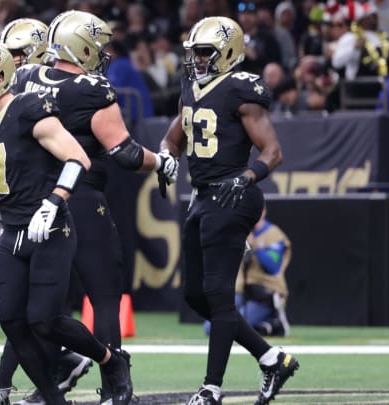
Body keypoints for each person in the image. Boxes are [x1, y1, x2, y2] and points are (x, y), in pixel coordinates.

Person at [0, 11, 179, 405]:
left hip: (31, 200)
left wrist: (0, 204)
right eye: (99, 47)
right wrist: (161, 161)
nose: (103, 54)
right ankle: (115, 388)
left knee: (34, 306)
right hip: (80, 197)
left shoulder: (22, 80)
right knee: (102, 296)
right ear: (83, 47)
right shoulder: (92, 89)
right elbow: (122, 152)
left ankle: (15, 382)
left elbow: (5, 144)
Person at [0, 40, 132, 405]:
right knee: (12, 321)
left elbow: (79, 159)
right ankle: (52, 399)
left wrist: (54, 201)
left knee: (44, 320)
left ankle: (110, 360)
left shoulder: (29, 106)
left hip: (50, 228)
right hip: (12, 232)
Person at [159, 16, 299, 405]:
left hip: (235, 193)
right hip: (203, 196)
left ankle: (211, 388)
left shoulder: (242, 88)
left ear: (228, 53)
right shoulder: (192, 86)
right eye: (194, 52)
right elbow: (177, 132)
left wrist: (246, 178)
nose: (197, 60)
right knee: (195, 295)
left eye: (205, 52)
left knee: (219, 296)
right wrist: (166, 156)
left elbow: (273, 152)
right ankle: (271, 358)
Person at [241, 207, 292, 337]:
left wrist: (255, 246)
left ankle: (275, 320)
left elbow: (273, 267)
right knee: (211, 327)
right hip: (241, 291)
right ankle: (269, 325)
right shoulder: (241, 232)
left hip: (265, 292)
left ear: (263, 211)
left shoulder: (273, 234)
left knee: (242, 326)